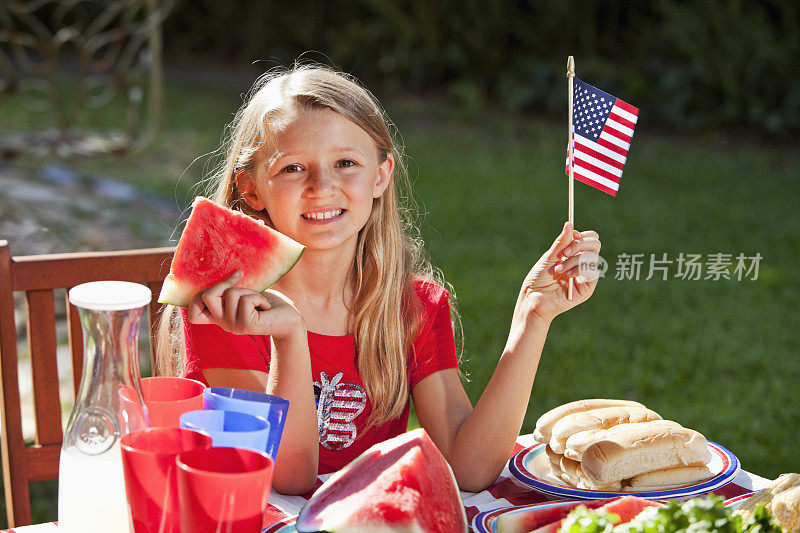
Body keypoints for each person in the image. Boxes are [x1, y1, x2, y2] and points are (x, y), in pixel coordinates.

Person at [157, 64, 601, 495]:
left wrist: (533, 314)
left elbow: (469, 467)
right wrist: (289, 338)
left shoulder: (417, 308)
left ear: (381, 175)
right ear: (251, 189)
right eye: (293, 168)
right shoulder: (223, 304)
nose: (322, 186)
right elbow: (288, 478)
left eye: (346, 162)